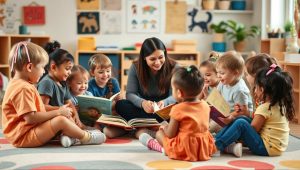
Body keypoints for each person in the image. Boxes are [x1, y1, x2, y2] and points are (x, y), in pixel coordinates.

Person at [2, 42, 106, 148]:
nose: (43, 72)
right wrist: (58, 112)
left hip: (27, 131)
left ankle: (73, 136)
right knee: (60, 119)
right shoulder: (22, 88)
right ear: (29, 67)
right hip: (24, 136)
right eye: (42, 67)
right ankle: (86, 137)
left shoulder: (21, 84)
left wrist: (61, 111)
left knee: (63, 115)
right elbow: (31, 118)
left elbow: (39, 110)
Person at [139, 65, 217, 161]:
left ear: (179, 93)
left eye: (173, 90)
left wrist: (164, 127)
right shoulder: (205, 105)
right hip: (203, 148)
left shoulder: (178, 109)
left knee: (159, 133)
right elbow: (205, 127)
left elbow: (170, 134)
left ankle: (159, 147)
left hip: (184, 148)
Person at [214, 64, 295, 157]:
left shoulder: (265, 108)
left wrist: (236, 131)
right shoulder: (279, 104)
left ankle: (216, 145)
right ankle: (218, 139)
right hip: (275, 147)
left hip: (266, 148)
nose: (255, 91)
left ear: (262, 89)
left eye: (256, 88)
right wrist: (242, 115)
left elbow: (253, 129)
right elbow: (254, 120)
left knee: (241, 123)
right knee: (241, 119)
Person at [115, 37, 177, 138]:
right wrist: (142, 103)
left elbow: (175, 95)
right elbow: (130, 94)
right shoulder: (136, 67)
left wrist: (164, 103)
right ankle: (158, 126)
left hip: (165, 107)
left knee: (180, 107)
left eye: (161, 57)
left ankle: (144, 126)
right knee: (120, 105)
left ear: (165, 53)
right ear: (144, 57)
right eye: (152, 59)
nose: (157, 62)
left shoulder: (174, 67)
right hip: (145, 107)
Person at [87, 53, 125, 138]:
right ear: (92, 72)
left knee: (108, 132)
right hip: (98, 118)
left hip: (112, 116)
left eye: (108, 71)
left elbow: (118, 102)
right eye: (101, 72)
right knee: (98, 129)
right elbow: (90, 105)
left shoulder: (113, 82)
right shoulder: (90, 85)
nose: (105, 75)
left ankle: (124, 130)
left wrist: (119, 98)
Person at [215, 51, 253, 125]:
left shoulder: (239, 90)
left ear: (235, 73)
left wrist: (230, 116)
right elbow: (216, 96)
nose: (219, 76)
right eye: (217, 72)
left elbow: (243, 112)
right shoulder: (224, 81)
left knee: (212, 127)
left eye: (222, 73)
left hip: (239, 117)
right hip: (226, 112)